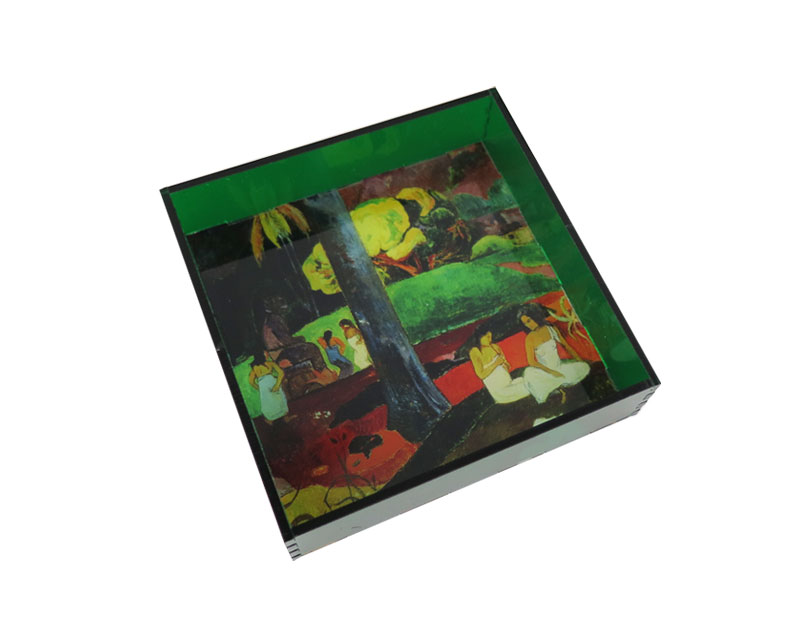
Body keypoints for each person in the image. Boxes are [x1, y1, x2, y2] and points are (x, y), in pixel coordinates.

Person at [519, 304, 590, 405]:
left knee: (584, 367)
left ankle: (558, 388)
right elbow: (532, 362)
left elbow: (566, 346)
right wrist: (552, 372)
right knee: (529, 374)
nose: (528, 325)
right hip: (544, 371)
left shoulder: (550, 328)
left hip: (559, 367)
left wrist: (579, 359)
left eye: (529, 320)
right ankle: (558, 389)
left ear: (535, 316)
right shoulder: (529, 338)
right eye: (525, 323)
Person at [469, 329, 530, 404]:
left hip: (509, 382)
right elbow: (481, 375)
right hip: (500, 391)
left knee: (529, 379)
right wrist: (496, 363)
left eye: (490, 336)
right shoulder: (475, 351)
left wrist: (505, 365)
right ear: (479, 338)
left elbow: (507, 365)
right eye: (487, 337)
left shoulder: (494, 346)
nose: (490, 339)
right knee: (529, 386)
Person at [248, 350, 289, 421]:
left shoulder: (256, 368)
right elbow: (281, 373)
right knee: (275, 399)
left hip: (265, 385)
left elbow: (251, 382)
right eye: (266, 354)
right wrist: (277, 385)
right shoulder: (269, 364)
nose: (267, 355)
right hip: (270, 383)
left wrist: (260, 388)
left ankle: (273, 417)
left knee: (271, 400)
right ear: (261, 356)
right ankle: (279, 416)